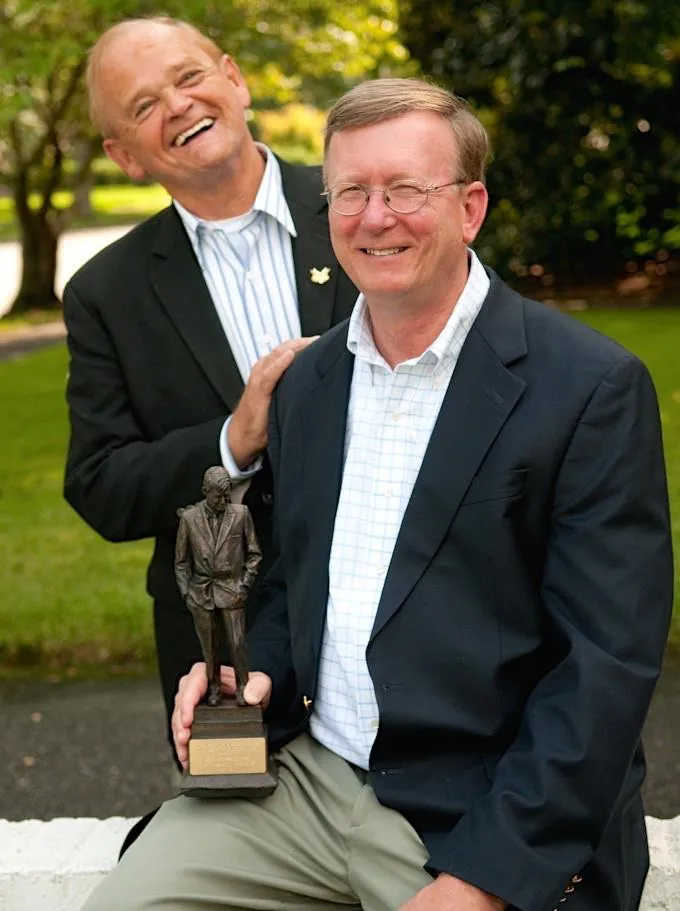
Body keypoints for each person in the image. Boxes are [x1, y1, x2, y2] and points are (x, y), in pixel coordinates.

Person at [83, 79, 673, 911]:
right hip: (307, 784)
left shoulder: (588, 388)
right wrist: (251, 678)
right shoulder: (310, 382)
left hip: (480, 807)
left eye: (404, 190)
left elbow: (603, 668)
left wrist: (484, 879)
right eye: (351, 193)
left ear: (470, 208)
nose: (373, 216)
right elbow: (296, 591)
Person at [62, 16, 357, 743]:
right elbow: (100, 484)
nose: (179, 105)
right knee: (235, 837)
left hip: (398, 601)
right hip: (224, 653)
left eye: (189, 77)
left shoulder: (365, 209)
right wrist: (234, 437)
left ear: (235, 79)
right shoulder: (106, 292)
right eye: (143, 106)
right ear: (124, 156)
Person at [175, 467, 261, 706]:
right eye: (218, 495)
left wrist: (243, 586)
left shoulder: (241, 514)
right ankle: (213, 686)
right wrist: (187, 593)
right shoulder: (190, 519)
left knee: (237, 642)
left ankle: (242, 685)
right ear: (205, 492)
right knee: (209, 646)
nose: (224, 500)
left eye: (227, 494)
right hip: (201, 592)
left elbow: (254, 555)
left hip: (232, 589)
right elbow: (181, 562)